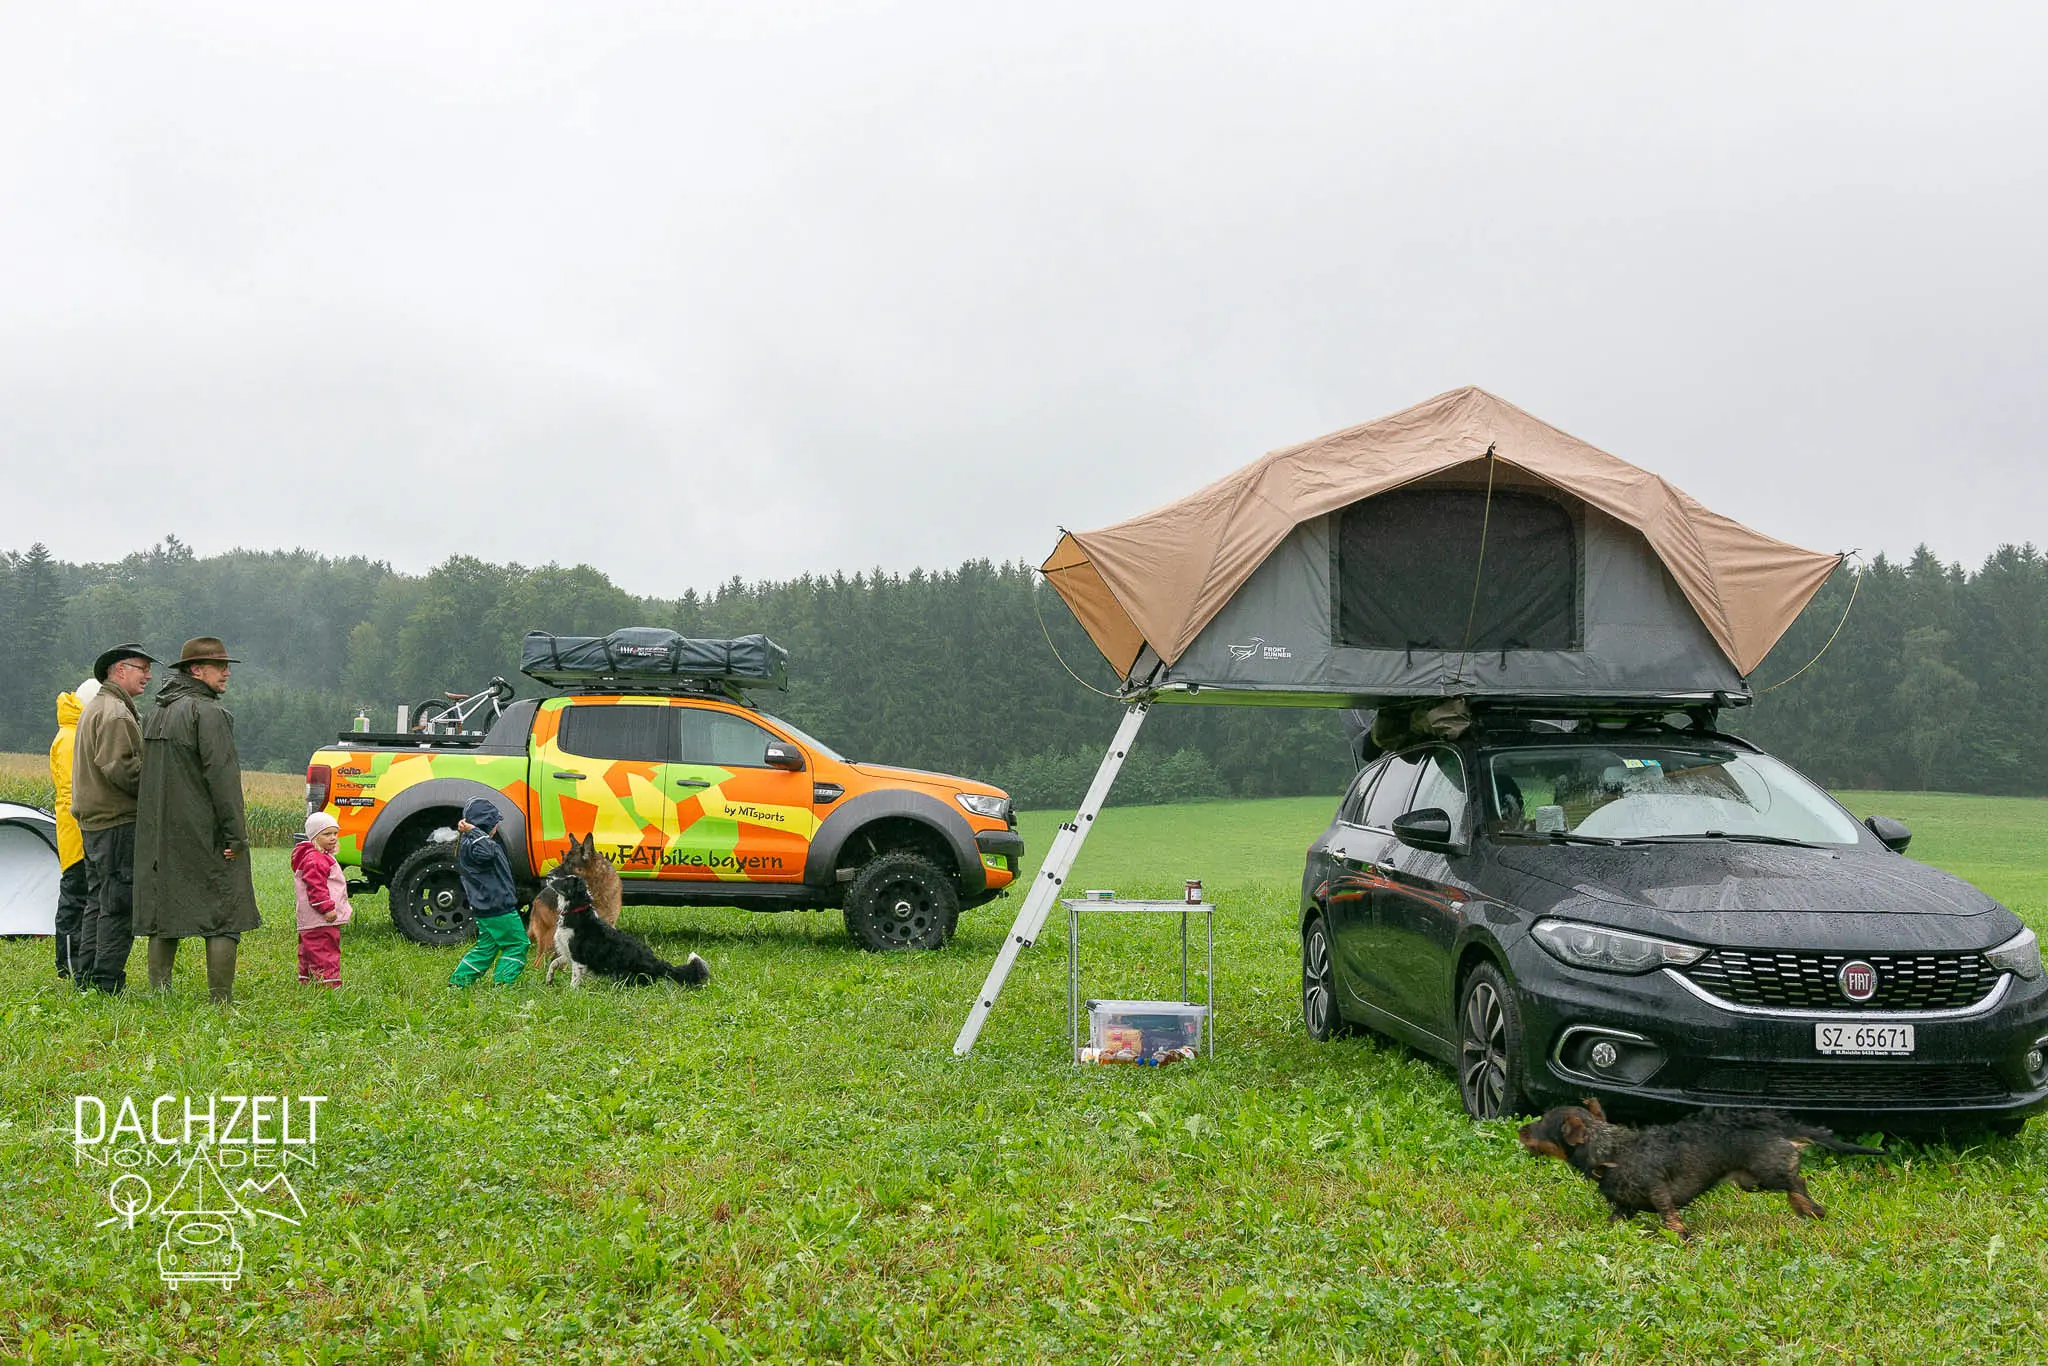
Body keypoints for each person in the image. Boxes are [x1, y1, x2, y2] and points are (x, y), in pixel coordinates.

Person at [134, 637, 261, 1003]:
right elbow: (223, 781)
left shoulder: (157, 712)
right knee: (226, 912)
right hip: (205, 832)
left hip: (161, 835)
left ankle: (160, 995)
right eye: (219, 666)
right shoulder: (208, 714)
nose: (226, 673)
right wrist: (235, 838)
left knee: (164, 909)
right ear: (196, 670)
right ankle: (220, 1001)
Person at [71, 644, 157, 993]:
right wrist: (157, 792)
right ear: (119, 670)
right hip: (117, 821)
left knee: (98, 900)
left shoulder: (97, 707)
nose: (148, 676)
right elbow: (122, 769)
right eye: (142, 668)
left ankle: (87, 976)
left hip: (94, 822)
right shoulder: (117, 713)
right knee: (119, 904)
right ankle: (107, 982)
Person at [49, 676, 101, 979]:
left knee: (79, 896)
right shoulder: (71, 737)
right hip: (76, 828)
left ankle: (77, 960)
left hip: (76, 826)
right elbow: (73, 791)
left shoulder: (73, 731)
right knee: (75, 897)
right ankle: (68, 963)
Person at [449, 796, 528, 986]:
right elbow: (488, 852)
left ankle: (459, 981)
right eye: (494, 823)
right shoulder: (478, 845)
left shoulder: (470, 843)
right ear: (485, 825)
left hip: (485, 908)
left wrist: (473, 831)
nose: (496, 827)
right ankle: (502, 983)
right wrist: (474, 831)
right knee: (517, 944)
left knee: (486, 947)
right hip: (499, 907)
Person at [290, 811, 352, 987]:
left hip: (312, 919)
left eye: (335, 833)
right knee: (324, 950)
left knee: (310, 950)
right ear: (314, 836)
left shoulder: (318, 856)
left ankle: (308, 981)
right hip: (321, 918)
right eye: (327, 834)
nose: (333, 838)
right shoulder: (315, 859)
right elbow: (316, 887)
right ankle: (329, 986)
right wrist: (327, 909)